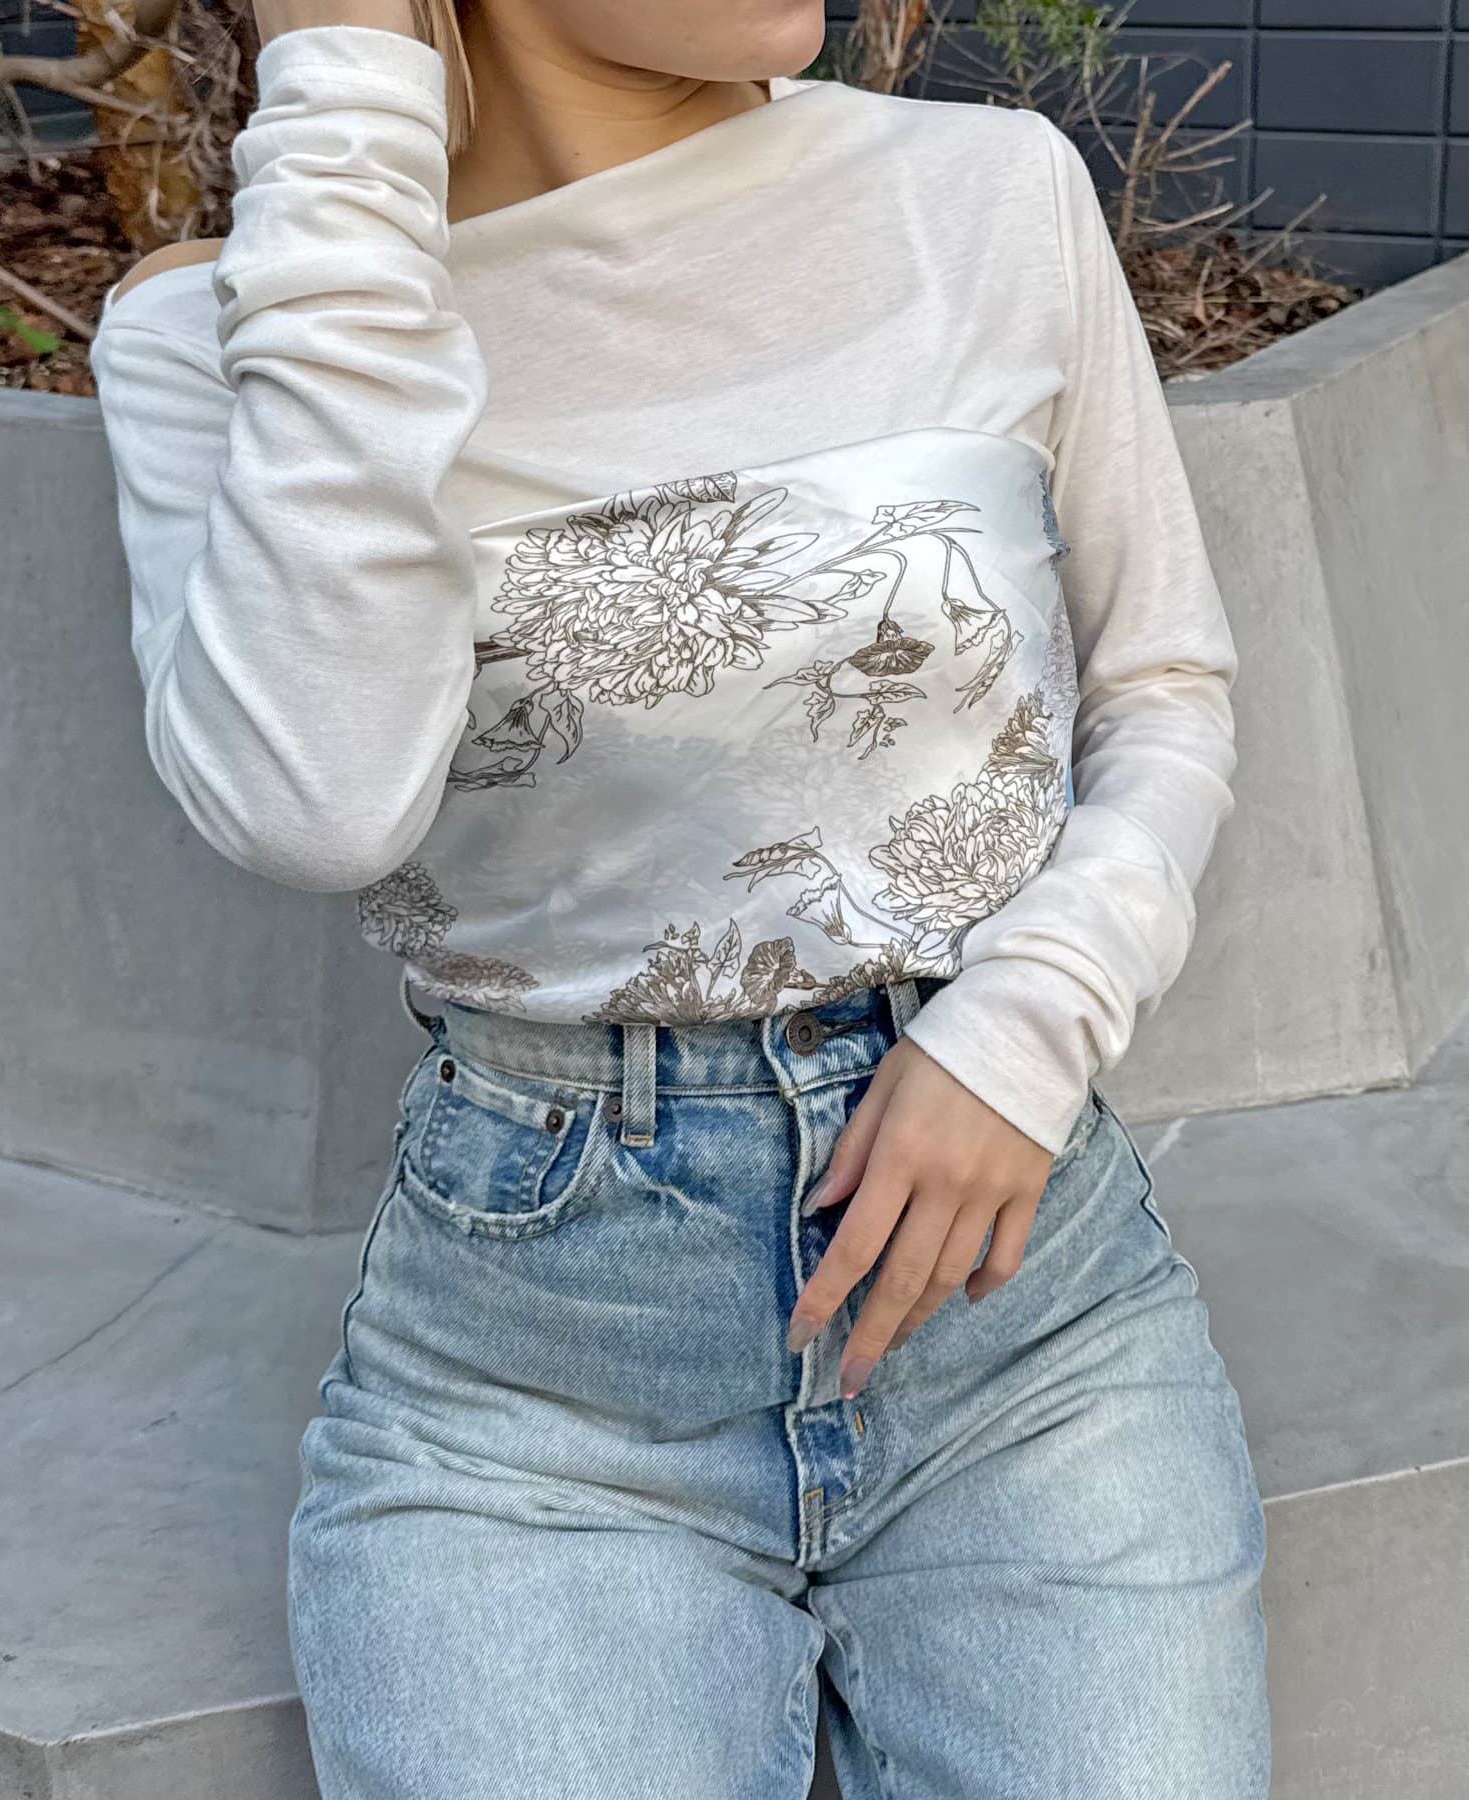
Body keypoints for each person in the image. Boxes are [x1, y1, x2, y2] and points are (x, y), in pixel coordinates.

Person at [88, 0, 1269, 1793]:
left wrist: (1024, 1036)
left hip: (1027, 1326)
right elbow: (314, 802)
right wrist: (346, 119)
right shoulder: (237, 333)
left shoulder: (988, 192)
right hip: (536, 1402)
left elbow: (1164, 689)